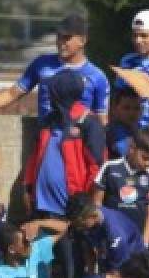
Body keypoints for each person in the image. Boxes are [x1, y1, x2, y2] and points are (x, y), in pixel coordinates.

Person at [0, 14, 110, 125]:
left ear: (82, 40)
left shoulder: (97, 77)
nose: (60, 42)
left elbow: (102, 120)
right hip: (47, 140)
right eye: (59, 37)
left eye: (66, 38)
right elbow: (11, 94)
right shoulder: (42, 64)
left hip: (79, 145)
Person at [21, 69, 108, 218]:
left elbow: (97, 167)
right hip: (40, 207)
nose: (49, 95)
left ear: (62, 94)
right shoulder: (49, 121)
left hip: (71, 209)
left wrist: (85, 204)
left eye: (52, 91)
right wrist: (27, 188)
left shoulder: (88, 123)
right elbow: (34, 157)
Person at [92, 127, 149, 247]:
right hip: (110, 237)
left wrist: (145, 243)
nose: (148, 163)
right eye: (145, 158)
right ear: (132, 148)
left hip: (136, 240)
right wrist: (98, 235)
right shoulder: (109, 167)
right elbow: (97, 203)